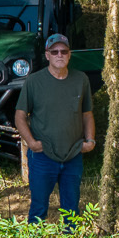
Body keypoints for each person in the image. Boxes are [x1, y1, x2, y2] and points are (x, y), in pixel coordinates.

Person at [14, 34, 96, 225]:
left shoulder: (81, 79)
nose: (60, 55)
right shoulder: (34, 81)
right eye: (55, 51)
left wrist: (90, 141)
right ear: (47, 55)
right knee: (38, 208)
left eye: (64, 51)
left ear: (70, 54)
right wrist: (32, 143)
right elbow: (20, 116)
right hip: (43, 155)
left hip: (73, 154)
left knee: (72, 210)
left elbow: (87, 114)